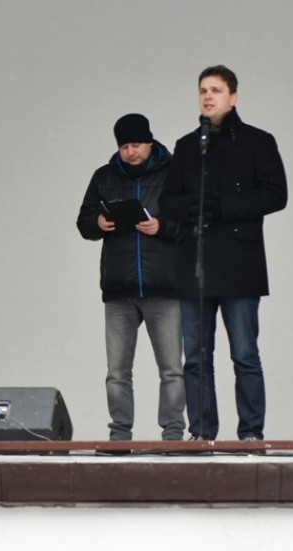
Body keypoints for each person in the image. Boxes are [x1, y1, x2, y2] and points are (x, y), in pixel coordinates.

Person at [160, 65, 287, 441]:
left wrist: (223, 206)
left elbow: (275, 195)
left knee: (245, 354)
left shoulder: (258, 142)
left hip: (239, 265)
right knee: (196, 358)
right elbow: (167, 201)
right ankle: (202, 435)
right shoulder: (187, 146)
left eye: (215, 90)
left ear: (233, 97)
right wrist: (194, 208)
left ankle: (251, 433)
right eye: (202, 90)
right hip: (195, 263)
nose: (207, 96)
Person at [77, 113, 186, 443]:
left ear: (150, 142)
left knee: (172, 370)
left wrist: (161, 227)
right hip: (119, 290)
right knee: (117, 373)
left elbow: (192, 224)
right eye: (124, 146)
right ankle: (119, 437)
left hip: (165, 288)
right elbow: (84, 222)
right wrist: (98, 223)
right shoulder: (103, 176)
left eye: (136, 144)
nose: (130, 152)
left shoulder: (175, 173)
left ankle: (173, 436)